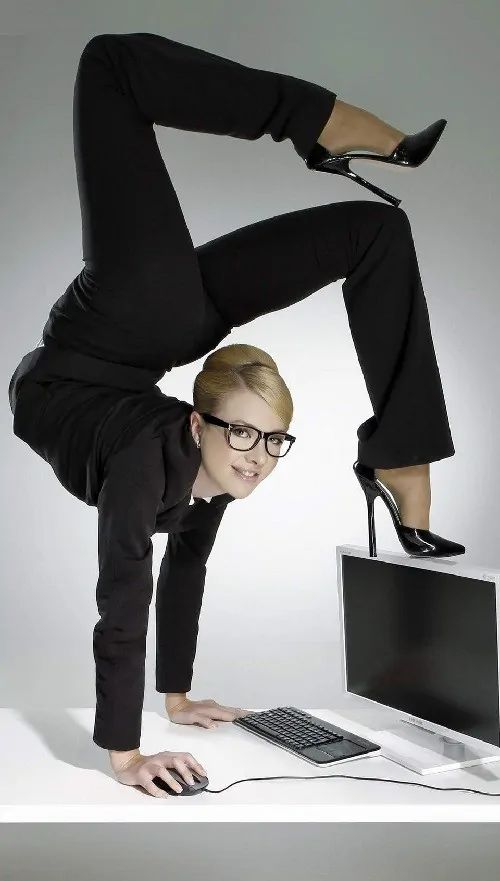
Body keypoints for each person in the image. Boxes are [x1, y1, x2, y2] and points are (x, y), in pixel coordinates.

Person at [8, 32, 461, 799]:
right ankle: (402, 457)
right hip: (145, 334)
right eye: (247, 436)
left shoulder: (187, 466)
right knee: (109, 66)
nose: (257, 457)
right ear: (201, 422)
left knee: (378, 233)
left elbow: (163, 574)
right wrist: (128, 752)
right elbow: (131, 594)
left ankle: (402, 449)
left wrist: (176, 701)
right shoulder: (180, 465)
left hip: (114, 341)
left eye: (269, 442)